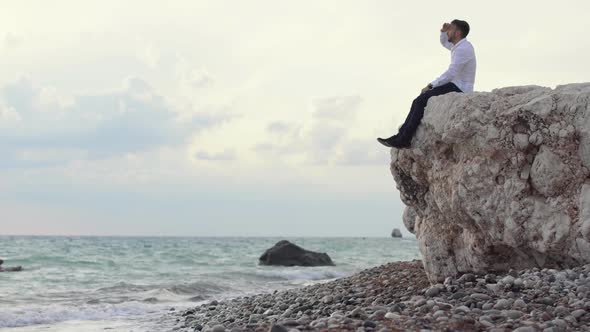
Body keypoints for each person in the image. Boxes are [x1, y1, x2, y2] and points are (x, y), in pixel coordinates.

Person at [377, 19, 476, 148]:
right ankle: (400, 137)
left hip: (460, 88)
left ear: (457, 33)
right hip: (456, 84)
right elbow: (444, 42)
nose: (448, 32)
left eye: (451, 29)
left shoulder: (463, 49)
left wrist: (431, 85)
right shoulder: (460, 45)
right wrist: (443, 31)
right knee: (419, 100)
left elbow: (451, 73)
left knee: (420, 101)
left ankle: (403, 139)